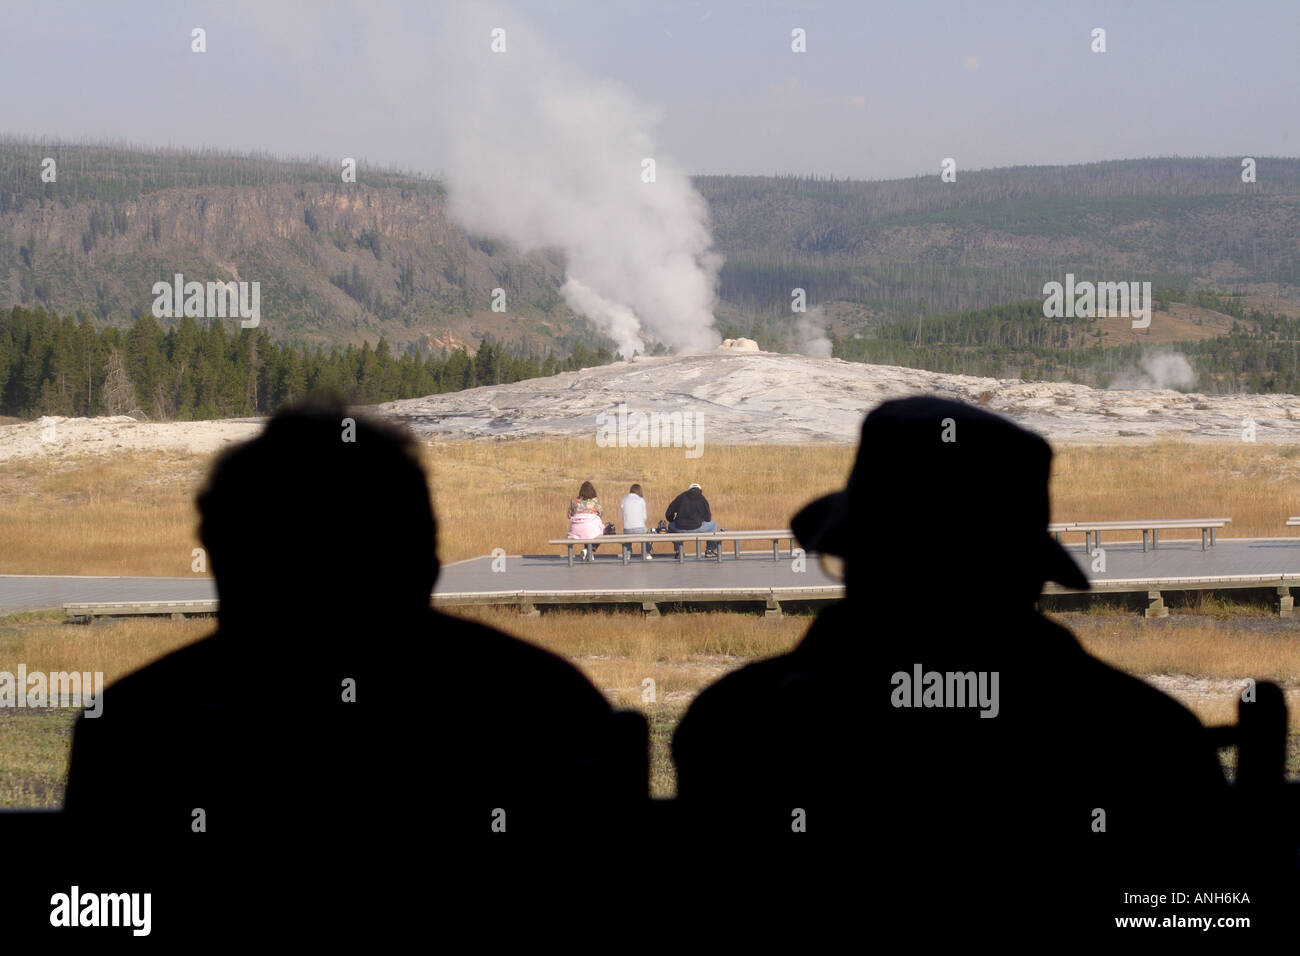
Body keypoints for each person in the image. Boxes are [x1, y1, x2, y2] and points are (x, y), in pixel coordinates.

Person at [62, 401, 647, 937]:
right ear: (425, 554)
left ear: (221, 555)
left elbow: (93, 916)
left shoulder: (135, 729)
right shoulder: (540, 704)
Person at [671, 397, 1232, 927]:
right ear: (1028, 576)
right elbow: (1203, 914)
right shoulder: (1150, 741)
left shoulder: (734, 726)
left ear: (856, 559)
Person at [664, 482, 717, 559]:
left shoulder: (680, 497)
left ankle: (679, 551)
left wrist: (672, 520)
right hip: (697, 527)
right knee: (713, 524)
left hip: (680, 528)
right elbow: (708, 518)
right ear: (700, 490)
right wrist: (701, 520)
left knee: (671, 525)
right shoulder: (702, 498)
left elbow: (669, 513)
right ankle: (710, 550)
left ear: (688, 490)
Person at [566, 481, 605, 562]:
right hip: (591, 529)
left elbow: (569, 515)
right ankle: (589, 551)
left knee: (584, 529)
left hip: (576, 531)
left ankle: (587, 551)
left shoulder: (575, 501)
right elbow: (601, 513)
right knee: (598, 530)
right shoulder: (595, 501)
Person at [620, 483, 654, 560]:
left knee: (626, 536)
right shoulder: (641, 500)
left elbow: (623, 516)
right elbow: (644, 517)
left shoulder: (624, 500)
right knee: (646, 532)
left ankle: (627, 554)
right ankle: (646, 553)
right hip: (640, 528)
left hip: (627, 528)